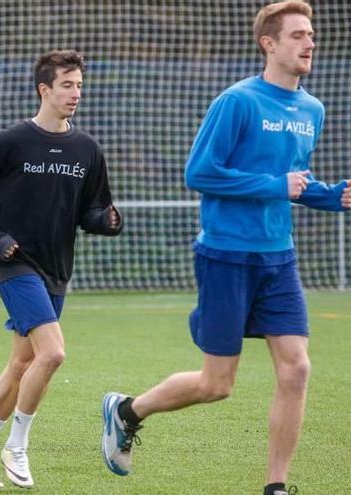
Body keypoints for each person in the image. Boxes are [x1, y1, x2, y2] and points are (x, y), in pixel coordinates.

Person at [100, 3, 351, 494]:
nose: (309, 43)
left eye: (312, 35)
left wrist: (332, 195)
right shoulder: (237, 102)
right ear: (269, 44)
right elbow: (200, 173)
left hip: (278, 257)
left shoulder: (312, 110)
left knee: (297, 367)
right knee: (217, 385)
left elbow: (295, 180)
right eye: (298, 35)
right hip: (226, 255)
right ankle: (127, 410)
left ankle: (275, 487)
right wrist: (276, 184)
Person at [0, 49, 122, 488]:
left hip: (57, 269)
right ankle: (17, 445)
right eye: (67, 85)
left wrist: (106, 222)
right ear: (44, 89)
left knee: (21, 364)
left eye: (80, 85)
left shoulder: (87, 149)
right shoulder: (9, 142)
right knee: (53, 353)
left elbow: (90, 211)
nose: (76, 93)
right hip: (15, 264)